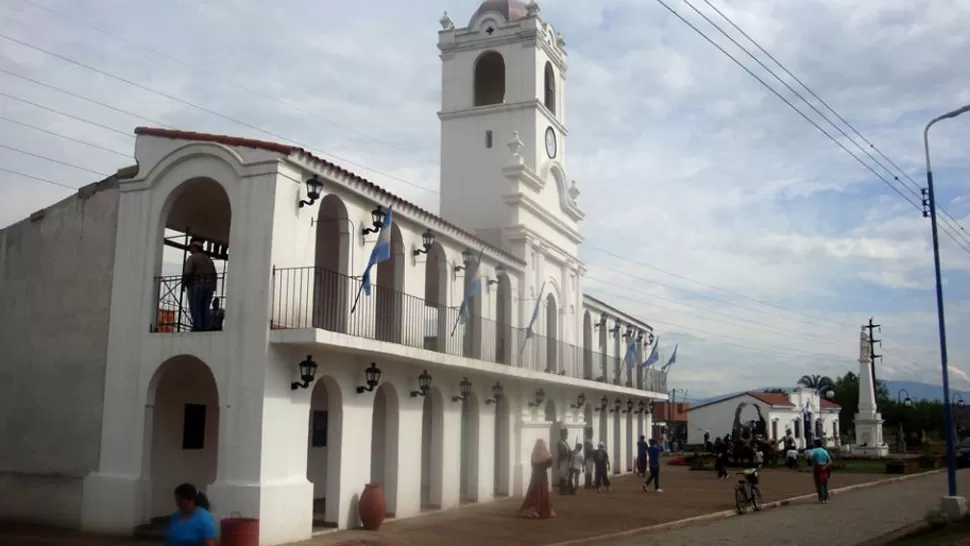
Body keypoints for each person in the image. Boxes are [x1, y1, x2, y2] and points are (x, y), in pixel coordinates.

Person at [182, 238, 217, 332]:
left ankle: (197, 326)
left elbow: (188, 272)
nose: (190, 250)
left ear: (195, 247)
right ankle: (206, 326)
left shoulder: (192, 258)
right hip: (209, 285)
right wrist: (214, 287)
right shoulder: (208, 260)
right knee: (205, 307)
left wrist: (183, 284)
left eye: (191, 248)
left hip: (196, 285)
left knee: (195, 306)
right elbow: (214, 274)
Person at [519, 439, 556, 518]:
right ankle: (541, 510)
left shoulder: (534, 454)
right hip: (542, 476)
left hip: (535, 476)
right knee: (543, 493)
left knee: (534, 493)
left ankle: (535, 510)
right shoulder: (545, 455)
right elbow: (549, 464)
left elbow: (533, 464)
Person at [810, 439, 833, 503]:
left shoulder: (813, 450)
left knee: (819, 484)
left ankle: (821, 498)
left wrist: (812, 461)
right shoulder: (824, 451)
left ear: (815, 444)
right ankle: (826, 498)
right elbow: (830, 461)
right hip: (824, 468)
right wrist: (825, 466)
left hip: (817, 467)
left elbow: (809, 457)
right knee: (824, 483)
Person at [555, 429, 572, 495]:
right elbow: (562, 452)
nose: (566, 436)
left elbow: (569, 450)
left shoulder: (565, 442)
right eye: (565, 434)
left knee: (566, 476)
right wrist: (569, 453)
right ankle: (562, 490)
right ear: (561, 435)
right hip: (562, 461)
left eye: (566, 434)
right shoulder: (559, 443)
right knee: (562, 476)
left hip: (566, 461)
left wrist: (571, 453)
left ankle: (565, 489)